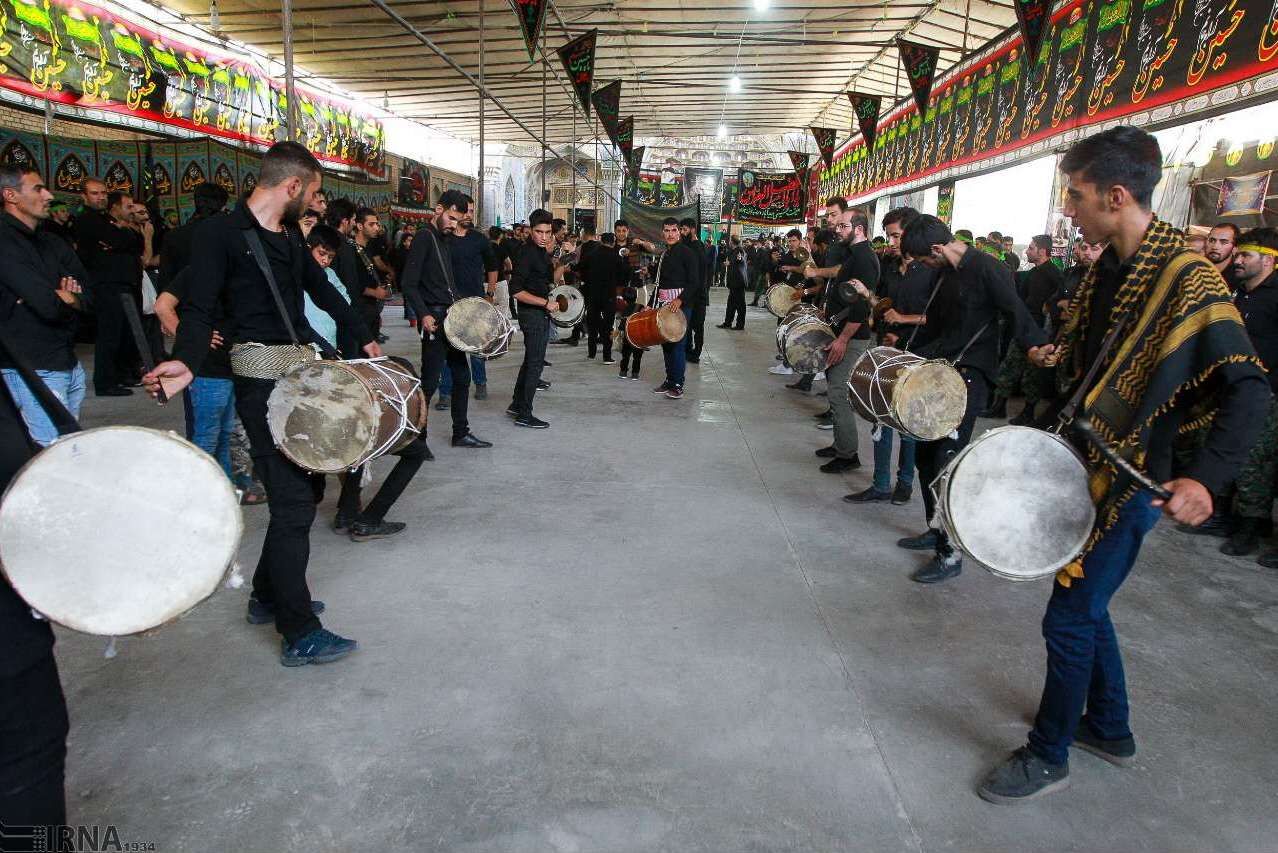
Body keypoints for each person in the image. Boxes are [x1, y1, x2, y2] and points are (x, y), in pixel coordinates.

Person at [978, 125, 1269, 804]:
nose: (1069, 208)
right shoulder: (1106, 270)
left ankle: (1049, 752)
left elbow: (1249, 385)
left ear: (1115, 195)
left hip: (1133, 478)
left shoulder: (1186, 278)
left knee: (1069, 618)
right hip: (1086, 465)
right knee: (1090, 606)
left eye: (1076, 196)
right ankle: (1108, 725)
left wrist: (1205, 477)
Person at [144, 141, 379, 667]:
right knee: (295, 503)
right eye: (313, 194)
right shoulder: (219, 237)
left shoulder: (290, 240)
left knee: (311, 484)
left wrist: (362, 336)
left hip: (298, 377)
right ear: (292, 186)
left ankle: (266, 597)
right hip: (257, 385)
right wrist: (184, 362)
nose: (316, 206)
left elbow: (325, 293)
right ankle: (299, 631)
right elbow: (198, 308)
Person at [896, 214, 1051, 584]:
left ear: (937, 248)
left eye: (925, 260)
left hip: (970, 376)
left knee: (946, 462)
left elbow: (1016, 311)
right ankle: (935, 528)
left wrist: (1035, 346)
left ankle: (951, 554)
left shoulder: (988, 269)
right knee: (923, 455)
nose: (925, 267)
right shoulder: (944, 273)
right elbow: (936, 323)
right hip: (941, 369)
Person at [0, 165, 93, 447]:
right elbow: (47, 305)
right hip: (33, 365)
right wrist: (60, 298)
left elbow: (89, 296)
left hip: (67, 362)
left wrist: (69, 298)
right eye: (37, 188)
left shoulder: (52, 241)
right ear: (10, 195)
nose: (49, 195)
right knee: (52, 455)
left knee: (65, 447)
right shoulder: (4, 241)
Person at [844, 206, 930, 504]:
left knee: (908, 421)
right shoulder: (890, 268)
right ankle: (881, 483)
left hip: (917, 355)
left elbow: (938, 318)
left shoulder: (931, 272)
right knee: (881, 417)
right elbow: (883, 305)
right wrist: (869, 299)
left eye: (897, 236)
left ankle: (905, 482)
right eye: (889, 236)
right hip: (887, 354)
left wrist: (903, 322)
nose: (892, 242)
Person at [399, 190, 492, 449]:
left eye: (458, 221)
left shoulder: (442, 238)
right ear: (438, 210)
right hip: (435, 320)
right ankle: (418, 439)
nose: (453, 225)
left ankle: (460, 433)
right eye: (451, 218)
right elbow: (408, 284)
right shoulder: (423, 237)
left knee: (462, 377)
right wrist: (424, 313)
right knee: (429, 382)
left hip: (450, 318)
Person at [1219, 227, 1278, 563]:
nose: (1237, 260)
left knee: (1257, 462)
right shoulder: (1239, 294)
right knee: (1235, 453)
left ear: (1268, 260)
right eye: (1237, 254)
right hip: (1234, 389)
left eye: (1245, 255)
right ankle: (1227, 518)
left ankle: (1251, 528)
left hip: (1267, 394)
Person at [815, 208, 878, 473]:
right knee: (834, 387)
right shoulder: (852, 255)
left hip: (851, 338)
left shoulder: (864, 259)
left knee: (839, 392)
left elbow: (861, 308)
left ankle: (848, 454)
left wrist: (842, 340)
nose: (836, 230)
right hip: (840, 332)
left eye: (842, 226)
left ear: (859, 229)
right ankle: (840, 443)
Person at [988, 234, 1064, 423]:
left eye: (1031, 248)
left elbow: (1059, 301)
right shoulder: (1032, 273)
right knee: (1009, 367)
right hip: (1024, 330)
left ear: (1042, 251)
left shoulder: (1053, 274)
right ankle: (999, 406)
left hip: (1040, 334)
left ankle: (1028, 412)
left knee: (1033, 376)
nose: (1027, 251)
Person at [75, 185, 143, 396]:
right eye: (95, 193)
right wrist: (120, 234)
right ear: (84, 196)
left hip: (120, 283)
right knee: (109, 335)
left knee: (123, 333)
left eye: (104, 193)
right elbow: (119, 239)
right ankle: (105, 382)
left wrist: (120, 236)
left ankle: (121, 375)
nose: (101, 197)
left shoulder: (105, 220)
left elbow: (132, 241)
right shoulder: (86, 220)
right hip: (105, 284)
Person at [438, 203, 499, 409]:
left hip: (475, 302)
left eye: (472, 211)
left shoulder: (479, 239)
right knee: (448, 350)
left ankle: (480, 382)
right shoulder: (443, 239)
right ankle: (445, 392)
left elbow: (492, 267)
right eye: (466, 211)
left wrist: (490, 293)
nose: (470, 215)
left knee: (476, 346)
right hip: (449, 302)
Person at [506, 209, 559, 427]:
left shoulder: (541, 252)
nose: (543, 236)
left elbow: (549, 281)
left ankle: (517, 405)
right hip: (532, 315)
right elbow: (515, 290)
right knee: (535, 365)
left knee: (530, 362)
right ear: (530, 230)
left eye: (547, 232)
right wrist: (545, 303)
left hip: (538, 313)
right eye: (539, 232)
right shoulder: (527, 253)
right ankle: (525, 414)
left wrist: (563, 260)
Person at [652, 217, 702, 399]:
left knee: (678, 344)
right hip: (664, 306)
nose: (670, 234)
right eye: (667, 230)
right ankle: (670, 380)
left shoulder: (688, 253)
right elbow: (659, 284)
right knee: (666, 344)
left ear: (680, 232)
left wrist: (680, 300)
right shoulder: (665, 254)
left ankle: (678, 384)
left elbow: (695, 282)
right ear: (662, 232)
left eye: (674, 230)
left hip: (681, 307)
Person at [581, 232, 627, 363]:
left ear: (601, 241)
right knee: (607, 325)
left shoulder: (591, 255)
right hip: (609, 295)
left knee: (592, 323)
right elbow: (623, 276)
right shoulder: (615, 257)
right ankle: (607, 356)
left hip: (592, 294)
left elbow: (581, 269)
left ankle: (591, 353)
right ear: (613, 242)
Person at [680, 218, 709, 364]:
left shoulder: (696, 247)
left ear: (692, 230)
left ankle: (695, 354)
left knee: (697, 326)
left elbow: (697, 274)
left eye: (684, 229)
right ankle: (689, 351)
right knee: (688, 325)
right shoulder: (689, 245)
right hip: (690, 294)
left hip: (697, 295)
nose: (681, 232)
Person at [718, 237, 748, 329]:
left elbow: (741, 259)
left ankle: (740, 325)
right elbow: (730, 260)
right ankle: (727, 323)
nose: (729, 242)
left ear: (732, 242)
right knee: (731, 304)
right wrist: (728, 263)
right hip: (733, 282)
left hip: (738, 282)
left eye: (730, 241)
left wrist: (738, 259)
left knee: (740, 305)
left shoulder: (740, 251)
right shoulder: (732, 251)